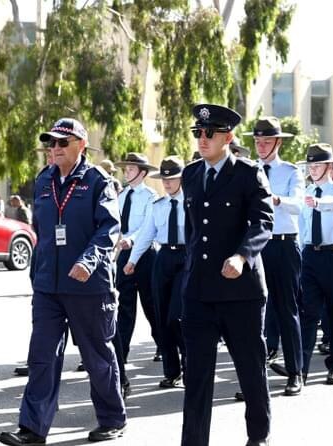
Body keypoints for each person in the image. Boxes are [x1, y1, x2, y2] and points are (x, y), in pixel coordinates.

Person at [0, 117, 126, 445]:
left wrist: (88, 260)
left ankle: (112, 418)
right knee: (42, 356)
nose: (54, 149)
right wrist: (37, 273)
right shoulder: (43, 181)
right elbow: (42, 234)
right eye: (51, 143)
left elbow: (109, 228)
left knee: (97, 356)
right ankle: (32, 429)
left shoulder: (98, 181)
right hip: (48, 288)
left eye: (61, 143)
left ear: (81, 145)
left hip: (88, 285)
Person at [181, 103, 274, 446]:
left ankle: (257, 438)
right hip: (200, 292)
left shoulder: (249, 174)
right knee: (197, 377)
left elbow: (263, 222)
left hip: (241, 293)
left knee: (250, 370)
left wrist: (242, 256)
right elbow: (193, 231)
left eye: (209, 134)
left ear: (228, 137)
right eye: (198, 133)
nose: (202, 139)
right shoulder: (190, 175)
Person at [244, 116, 304, 396]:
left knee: (286, 310)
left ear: (278, 143)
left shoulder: (291, 172)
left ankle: (295, 372)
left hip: (283, 245)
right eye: (257, 141)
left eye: (266, 141)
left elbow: (299, 205)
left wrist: (276, 199)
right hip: (256, 245)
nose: (260, 146)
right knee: (254, 313)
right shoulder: (248, 170)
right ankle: (254, 378)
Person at [124, 156, 187, 388]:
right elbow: (146, 235)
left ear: (181, 179)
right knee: (161, 318)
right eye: (164, 179)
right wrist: (132, 261)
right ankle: (172, 372)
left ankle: (189, 366)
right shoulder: (158, 205)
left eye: (172, 179)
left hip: (185, 258)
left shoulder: (190, 203)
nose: (167, 183)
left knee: (177, 317)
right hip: (163, 259)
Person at [298, 143, 333, 385]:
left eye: (317, 165)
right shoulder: (306, 191)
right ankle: (301, 368)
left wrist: (317, 203)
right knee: (308, 313)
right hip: (310, 255)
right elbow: (301, 226)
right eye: (310, 165)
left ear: (329, 167)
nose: (313, 169)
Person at [114, 153, 161, 362]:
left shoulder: (151, 196)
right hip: (125, 254)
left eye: (131, 169)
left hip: (145, 255)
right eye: (125, 169)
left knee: (151, 304)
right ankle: (121, 351)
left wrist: (132, 240)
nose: (127, 173)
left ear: (142, 173)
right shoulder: (122, 195)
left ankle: (163, 344)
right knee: (125, 306)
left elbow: (147, 227)